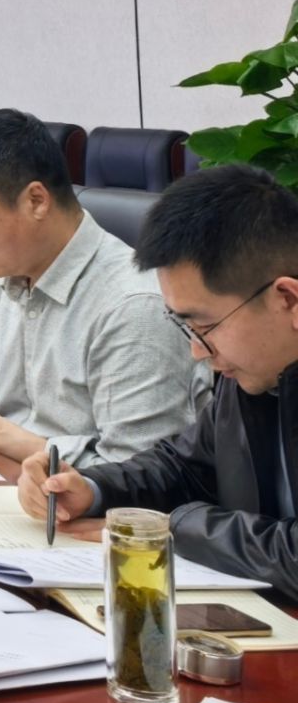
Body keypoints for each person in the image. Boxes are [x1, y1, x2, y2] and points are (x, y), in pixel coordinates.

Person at [23, 165, 298, 593]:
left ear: (287, 300)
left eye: (204, 326)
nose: (197, 351)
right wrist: (94, 489)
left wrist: (177, 528)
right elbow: (185, 466)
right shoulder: (253, 371)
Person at [0, 110, 203, 464]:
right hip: (2, 482)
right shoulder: (1, 288)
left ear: (36, 200)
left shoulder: (134, 307)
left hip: (80, 500)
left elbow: (138, 472)